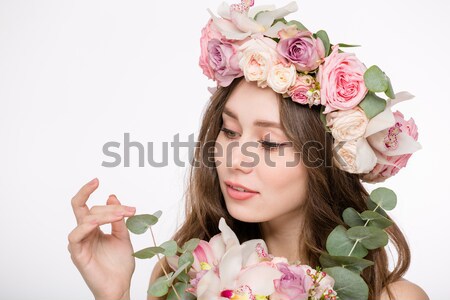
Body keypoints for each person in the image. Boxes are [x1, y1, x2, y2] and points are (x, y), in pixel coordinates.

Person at [68, 1, 429, 299]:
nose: (235, 159)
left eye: (270, 143)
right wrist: (113, 293)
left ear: (328, 160)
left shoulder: (392, 297)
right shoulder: (182, 277)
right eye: (229, 131)